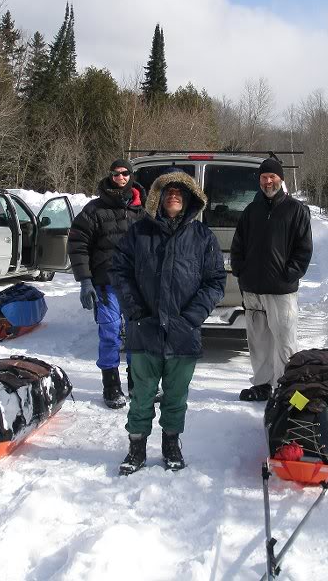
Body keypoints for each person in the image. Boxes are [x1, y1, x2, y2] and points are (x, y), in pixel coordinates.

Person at [111, 169, 226, 475]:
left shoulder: (203, 237)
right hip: (144, 329)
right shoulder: (138, 233)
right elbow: (120, 272)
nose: (174, 196)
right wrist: (134, 311)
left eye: (180, 193)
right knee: (141, 396)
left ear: (190, 200)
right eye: (168, 192)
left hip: (183, 334)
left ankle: (171, 443)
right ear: (157, 198)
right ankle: (136, 447)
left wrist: (192, 318)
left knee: (176, 397)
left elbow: (215, 281)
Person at [230, 158, 313, 401]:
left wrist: (289, 274)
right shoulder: (251, 211)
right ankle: (262, 385)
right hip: (253, 289)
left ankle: (287, 390)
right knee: (259, 343)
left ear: (281, 179)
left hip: (281, 291)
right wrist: (240, 271)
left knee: (285, 342)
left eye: (272, 177)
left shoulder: (295, 210)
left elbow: (304, 249)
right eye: (264, 177)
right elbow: (238, 246)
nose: (268, 181)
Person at [67, 158, 147, 409]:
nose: (121, 178)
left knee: (137, 335)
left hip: (135, 285)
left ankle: (137, 384)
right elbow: (77, 244)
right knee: (111, 335)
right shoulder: (94, 210)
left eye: (125, 174)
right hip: (106, 284)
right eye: (116, 174)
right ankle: (111, 386)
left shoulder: (141, 212)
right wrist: (85, 281)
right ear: (110, 176)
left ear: (131, 176)